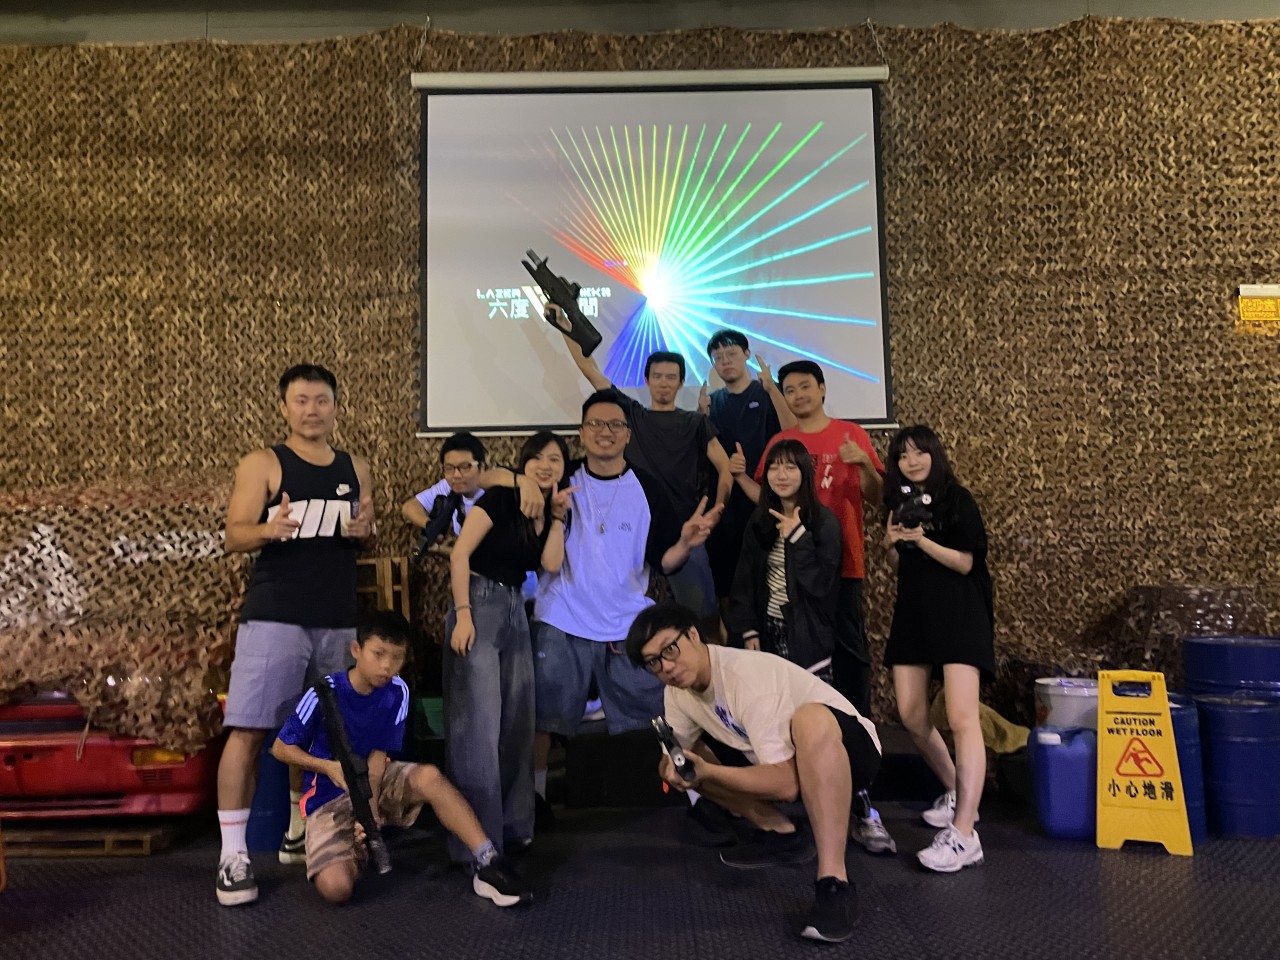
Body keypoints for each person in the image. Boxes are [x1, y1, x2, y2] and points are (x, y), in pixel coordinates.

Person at [479, 390, 723, 817]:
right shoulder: (559, 478)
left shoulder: (647, 487)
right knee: (541, 718)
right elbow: (485, 479)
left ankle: (701, 797)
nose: (604, 432)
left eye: (614, 425)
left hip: (627, 623)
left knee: (665, 713)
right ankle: (534, 802)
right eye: (595, 424)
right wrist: (522, 481)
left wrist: (685, 543)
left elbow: (664, 561)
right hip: (561, 617)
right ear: (581, 432)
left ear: (628, 434)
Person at [626, 603, 881, 944]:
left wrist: (708, 772)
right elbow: (674, 760)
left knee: (811, 720)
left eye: (669, 649)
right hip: (787, 760)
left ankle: (834, 883)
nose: (666, 667)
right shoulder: (677, 695)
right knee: (687, 760)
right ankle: (781, 832)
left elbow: (787, 787)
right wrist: (674, 769)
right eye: (653, 662)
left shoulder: (743, 676)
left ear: (693, 635)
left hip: (852, 753)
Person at [216, 363, 375, 906]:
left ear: (336, 407)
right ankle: (233, 857)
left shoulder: (356, 467)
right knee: (249, 731)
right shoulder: (263, 463)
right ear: (284, 407)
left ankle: (298, 831)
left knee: (324, 734)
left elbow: (364, 533)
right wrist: (269, 528)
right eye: (301, 400)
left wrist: (365, 532)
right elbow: (234, 536)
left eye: (321, 400)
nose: (312, 410)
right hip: (275, 617)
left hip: (337, 618)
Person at [271, 610, 532, 906]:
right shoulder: (324, 692)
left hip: (371, 783)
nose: (387, 666)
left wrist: (369, 813)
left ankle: (488, 861)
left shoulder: (398, 691)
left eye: (397, 657)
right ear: (356, 650)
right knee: (337, 888)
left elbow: (377, 759)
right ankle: (350, 853)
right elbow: (281, 748)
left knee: (429, 776)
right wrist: (327, 767)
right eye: (378, 654)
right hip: (328, 798)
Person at [551, 308, 731, 626]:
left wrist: (717, 509)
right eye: (657, 376)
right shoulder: (630, 415)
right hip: (629, 530)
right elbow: (589, 369)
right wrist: (566, 326)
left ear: (680, 382)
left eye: (671, 377)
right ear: (647, 380)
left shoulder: (695, 422)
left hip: (683, 529)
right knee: (622, 616)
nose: (664, 383)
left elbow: (725, 467)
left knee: (702, 618)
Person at [444, 431, 573, 861]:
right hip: (478, 601)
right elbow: (459, 554)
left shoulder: (548, 510)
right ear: (523, 463)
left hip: (517, 607)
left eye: (555, 459)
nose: (545, 466)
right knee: (477, 727)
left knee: (518, 721)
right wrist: (463, 614)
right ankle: (476, 844)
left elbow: (550, 563)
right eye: (537, 458)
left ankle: (515, 827)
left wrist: (558, 517)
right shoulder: (501, 497)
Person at [882, 425, 994, 873]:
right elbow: (900, 564)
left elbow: (966, 562)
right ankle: (956, 791)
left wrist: (921, 540)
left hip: (961, 613)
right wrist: (892, 545)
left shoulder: (957, 500)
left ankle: (965, 834)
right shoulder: (899, 504)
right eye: (902, 455)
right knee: (911, 715)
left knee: (962, 717)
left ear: (935, 454)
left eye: (919, 452)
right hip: (915, 613)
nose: (911, 461)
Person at [726, 440, 842, 676]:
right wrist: (749, 629)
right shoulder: (760, 520)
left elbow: (821, 586)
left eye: (790, 467)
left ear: (805, 472)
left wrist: (799, 537)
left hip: (808, 636)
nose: (781, 475)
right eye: (774, 467)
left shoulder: (823, 522)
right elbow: (744, 580)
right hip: (767, 630)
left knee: (809, 698)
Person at [699, 329, 795, 606]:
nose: (725, 361)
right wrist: (701, 416)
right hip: (728, 509)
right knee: (728, 590)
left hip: (770, 505)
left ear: (746, 354)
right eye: (718, 358)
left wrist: (773, 389)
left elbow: (793, 432)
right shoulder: (713, 402)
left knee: (771, 587)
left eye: (731, 354)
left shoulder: (766, 392)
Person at [400, 432, 488, 555]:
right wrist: (432, 526)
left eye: (465, 467)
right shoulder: (449, 487)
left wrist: (441, 550)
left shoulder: (494, 493)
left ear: (481, 467)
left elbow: (483, 556)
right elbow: (409, 507)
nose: (456, 475)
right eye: (449, 468)